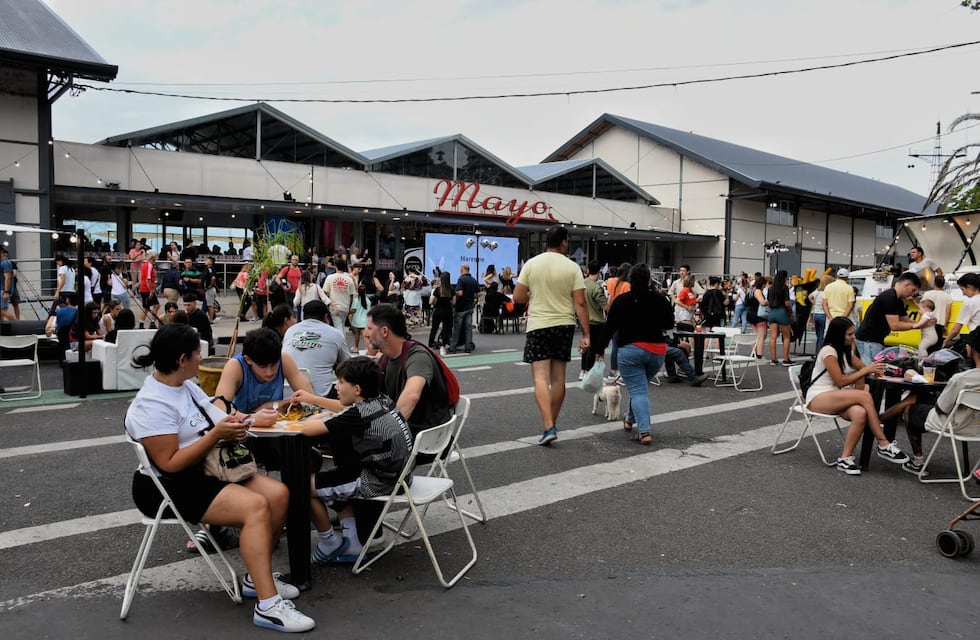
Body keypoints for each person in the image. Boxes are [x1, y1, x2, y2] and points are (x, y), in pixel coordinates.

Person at [124, 324, 315, 633]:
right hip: (168, 486)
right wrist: (217, 434)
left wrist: (247, 419)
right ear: (182, 358)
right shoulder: (151, 403)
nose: (202, 358)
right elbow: (170, 464)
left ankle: (257, 578)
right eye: (198, 353)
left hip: (206, 468)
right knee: (255, 507)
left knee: (279, 494)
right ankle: (268, 607)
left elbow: (217, 415)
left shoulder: (185, 386)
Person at [301, 357, 414, 565]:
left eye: (341, 382)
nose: (336, 386)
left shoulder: (358, 414)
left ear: (357, 389)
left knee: (301, 485)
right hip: (401, 475)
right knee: (340, 472)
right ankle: (352, 542)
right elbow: (342, 411)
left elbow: (307, 429)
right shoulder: (382, 400)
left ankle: (328, 543)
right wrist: (322, 407)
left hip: (378, 482)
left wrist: (318, 416)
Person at [512, 227, 590, 446]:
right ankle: (551, 424)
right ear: (564, 242)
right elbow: (580, 303)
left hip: (538, 324)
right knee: (558, 379)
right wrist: (586, 333)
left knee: (540, 377)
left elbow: (518, 297)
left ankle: (548, 426)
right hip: (564, 325)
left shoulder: (531, 264)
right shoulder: (572, 267)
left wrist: (533, 293)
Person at [806, 316, 910, 475]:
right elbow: (840, 381)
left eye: (854, 333)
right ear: (838, 334)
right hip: (819, 396)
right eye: (849, 334)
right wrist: (864, 372)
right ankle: (883, 443)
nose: (854, 337)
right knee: (865, 397)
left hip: (837, 396)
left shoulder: (847, 351)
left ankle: (845, 458)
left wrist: (897, 371)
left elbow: (868, 370)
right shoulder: (829, 351)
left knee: (860, 413)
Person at [365, 303, 453, 436]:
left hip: (423, 434)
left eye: (369, 328)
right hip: (409, 427)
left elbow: (412, 395)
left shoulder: (417, 356)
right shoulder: (385, 359)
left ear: (384, 331)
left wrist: (385, 431)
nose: (366, 334)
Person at [213, 327, 315, 425]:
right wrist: (251, 418)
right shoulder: (235, 366)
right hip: (242, 430)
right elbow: (219, 408)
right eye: (263, 366)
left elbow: (311, 399)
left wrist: (269, 406)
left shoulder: (284, 359)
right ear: (248, 360)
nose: (269, 372)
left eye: (274, 365)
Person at [855, 271, 928, 363]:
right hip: (868, 340)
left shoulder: (898, 300)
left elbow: (907, 320)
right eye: (913, 290)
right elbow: (895, 325)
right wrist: (916, 325)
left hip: (876, 339)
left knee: (877, 369)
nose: (913, 294)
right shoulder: (889, 297)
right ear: (906, 284)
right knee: (872, 370)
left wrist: (924, 322)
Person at [282, 300, 350, 398]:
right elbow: (348, 364)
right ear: (326, 317)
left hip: (288, 393)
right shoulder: (335, 334)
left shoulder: (290, 331)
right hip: (321, 396)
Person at [579, 260, 608, 380]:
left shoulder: (582, 284)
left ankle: (583, 370)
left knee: (586, 346)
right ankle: (588, 372)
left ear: (587, 270)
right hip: (596, 321)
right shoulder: (596, 288)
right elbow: (605, 306)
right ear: (599, 271)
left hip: (583, 319)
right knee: (594, 347)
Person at [603, 262, 631, 383]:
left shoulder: (611, 282)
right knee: (625, 346)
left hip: (612, 316)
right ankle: (622, 372)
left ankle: (613, 372)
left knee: (615, 345)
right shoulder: (628, 285)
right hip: (624, 318)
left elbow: (609, 299)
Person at [942, 272, 980, 349]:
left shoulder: (970, 303)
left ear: (969, 287)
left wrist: (946, 340)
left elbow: (956, 328)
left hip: (977, 338)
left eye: (962, 289)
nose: (963, 294)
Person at [767, 270, 796, 366]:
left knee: (773, 337)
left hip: (772, 313)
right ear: (784, 278)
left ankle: (773, 359)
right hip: (782, 312)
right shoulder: (785, 288)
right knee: (786, 337)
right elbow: (787, 303)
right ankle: (785, 359)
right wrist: (791, 312)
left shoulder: (770, 288)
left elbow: (768, 302)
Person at [448, 263, 479, 354]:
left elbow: (460, 293)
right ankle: (468, 346)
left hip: (461, 307)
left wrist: (455, 292)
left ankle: (453, 346)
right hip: (470, 306)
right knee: (468, 328)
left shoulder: (461, 279)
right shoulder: (473, 280)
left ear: (462, 270)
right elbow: (478, 293)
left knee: (457, 328)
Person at [322, 257, 356, 331]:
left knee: (338, 326)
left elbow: (325, 292)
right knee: (341, 325)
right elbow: (352, 295)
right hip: (345, 306)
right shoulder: (349, 279)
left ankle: (341, 341)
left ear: (335, 266)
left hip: (334, 306)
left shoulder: (330, 277)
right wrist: (350, 306)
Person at [920, 275, 953, 347]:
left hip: (927, 322)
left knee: (926, 345)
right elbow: (948, 312)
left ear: (934, 283)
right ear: (943, 284)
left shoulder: (927, 294)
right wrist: (945, 325)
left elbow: (921, 306)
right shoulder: (948, 297)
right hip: (940, 323)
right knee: (937, 345)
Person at [428, 271, 454, 352]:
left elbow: (431, 301)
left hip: (438, 311)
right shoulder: (451, 289)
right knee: (446, 328)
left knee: (434, 329)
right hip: (448, 311)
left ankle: (430, 345)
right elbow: (454, 302)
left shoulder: (438, 289)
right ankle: (443, 346)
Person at [808, 274, 833, 352]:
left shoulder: (817, 291)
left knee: (819, 336)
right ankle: (820, 352)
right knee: (823, 336)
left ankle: (817, 351)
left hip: (816, 314)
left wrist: (814, 302)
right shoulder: (827, 292)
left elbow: (809, 296)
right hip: (823, 314)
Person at [138, 251, 160, 329]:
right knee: (150, 307)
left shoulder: (146, 264)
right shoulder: (149, 265)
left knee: (150, 306)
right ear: (152, 256)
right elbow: (148, 279)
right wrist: (151, 290)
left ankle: (147, 323)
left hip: (145, 288)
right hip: (147, 289)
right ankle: (147, 324)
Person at [349, 284, 370, 353]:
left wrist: (348, 311)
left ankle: (356, 347)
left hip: (357, 320)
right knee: (365, 336)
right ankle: (367, 348)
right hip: (365, 320)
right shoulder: (368, 300)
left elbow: (353, 310)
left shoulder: (356, 300)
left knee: (356, 334)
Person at [202, 256, 219, 322]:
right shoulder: (207, 268)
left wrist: (210, 285)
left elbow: (213, 278)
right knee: (209, 304)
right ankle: (211, 318)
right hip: (210, 289)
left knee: (210, 305)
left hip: (210, 289)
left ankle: (211, 320)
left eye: (207, 260)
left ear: (210, 262)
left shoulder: (209, 269)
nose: (205, 261)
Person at [0, 246, 13, 321]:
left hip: (3, 291)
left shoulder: (5, 263)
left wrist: (6, 292)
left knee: (2, 311)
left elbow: (7, 278)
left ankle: (18, 326)